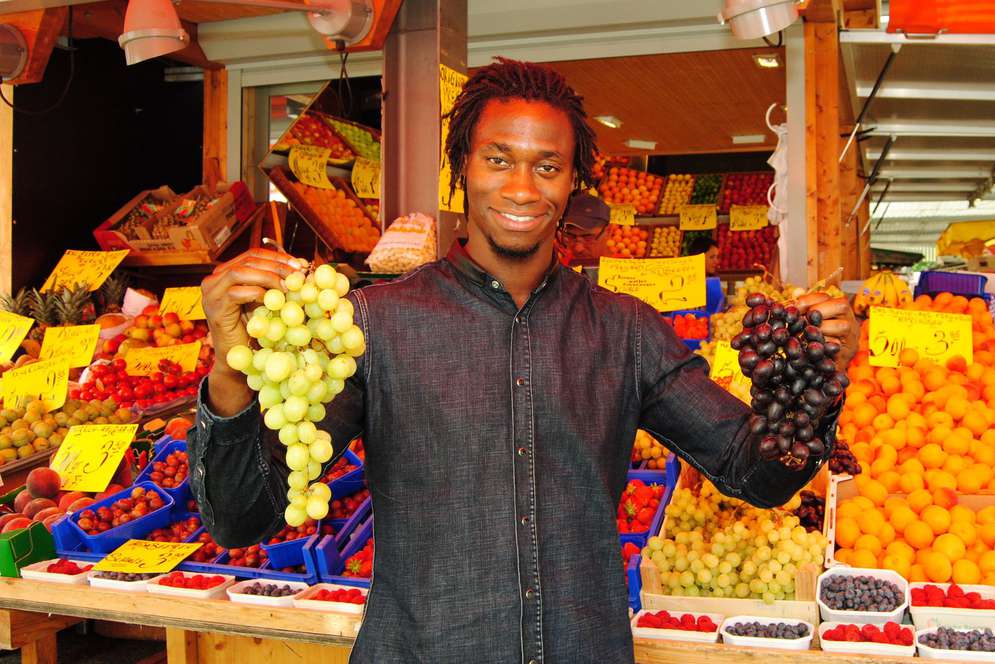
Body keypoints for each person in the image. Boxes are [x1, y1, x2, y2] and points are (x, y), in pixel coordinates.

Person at [192, 58, 859, 664]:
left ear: (574, 183)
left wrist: (816, 385)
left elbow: (757, 475)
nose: (521, 187)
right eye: (498, 159)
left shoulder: (625, 331)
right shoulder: (375, 326)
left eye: (547, 166)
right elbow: (244, 517)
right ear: (461, 172)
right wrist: (229, 375)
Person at [554, 191, 611, 265]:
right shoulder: (561, 268)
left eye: (588, 237)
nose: (578, 249)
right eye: (571, 236)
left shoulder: (627, 270)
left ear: (608, 232)